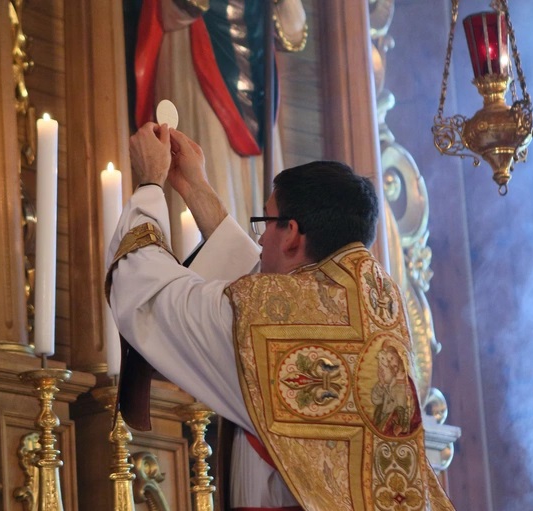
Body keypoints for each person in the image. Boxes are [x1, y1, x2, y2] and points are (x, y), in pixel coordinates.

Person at [106, 123, 455, 510]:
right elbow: (258, 295)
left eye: (266, 222)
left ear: (291, 234)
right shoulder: (376, 307)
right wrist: (195, 188)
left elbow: (147, 295)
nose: (260, 239)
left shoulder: (265, 326)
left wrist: (150, 185)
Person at [127, 0, 307, 253]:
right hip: (196, 41)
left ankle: (256, 261)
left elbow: (292, 31)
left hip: (255, 62)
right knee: (206, 164)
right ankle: (210, 262)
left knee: (256, 189)